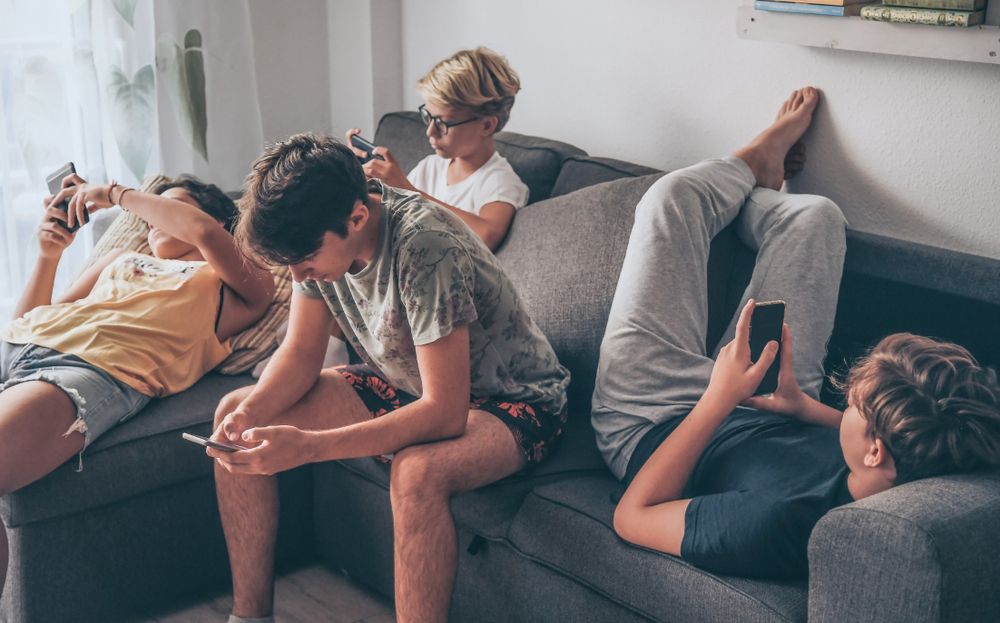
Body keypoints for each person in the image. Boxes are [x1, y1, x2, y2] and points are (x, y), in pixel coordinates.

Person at [594, 87, 1000, 579]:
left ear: (875, 449)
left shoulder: (773, 523)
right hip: (770, 404)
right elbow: (885, 438)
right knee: (816, 216)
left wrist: (719, 400)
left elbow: (630, 518)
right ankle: (762, 179)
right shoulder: (909, 457)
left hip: (655, 422)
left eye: (854, 404)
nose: (845, 399)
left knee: (670, 198)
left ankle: (747, 165)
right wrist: (801, 407)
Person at [208, 133, 569, 623]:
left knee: (416, 473)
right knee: (234, 413)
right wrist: (253, 412)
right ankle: (249, 618)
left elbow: (445, 413)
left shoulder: (425, 246)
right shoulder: (315, 243)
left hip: (515, 404)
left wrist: (309, 447)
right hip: (409, 387)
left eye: (304, 260)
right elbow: (299, 353)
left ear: (357, 217)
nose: (298, 275)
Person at [0, 173, 275, 595]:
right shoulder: (121, 260)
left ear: (220, 220)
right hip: (21, 346)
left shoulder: (235, 284)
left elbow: (201, 230)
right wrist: (47, 255)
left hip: (86, 370)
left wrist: (115, 195)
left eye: (171, 206)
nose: (153, 220)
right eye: (151, 211)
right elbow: (30, 321)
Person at [347, 46, 529, 251]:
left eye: (443, 122)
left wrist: (409, 190)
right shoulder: (430, 166)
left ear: (487, 125)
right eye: (428, 117)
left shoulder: (499, 181)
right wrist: (357, 178)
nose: (430, 131)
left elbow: (485, 236)